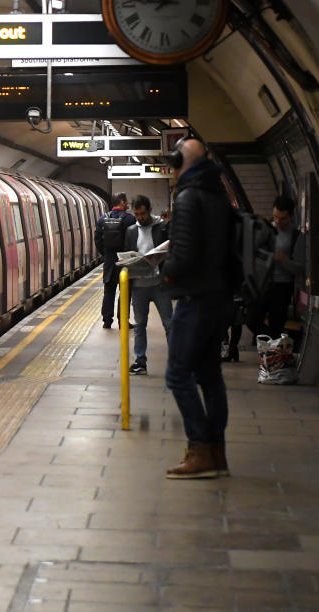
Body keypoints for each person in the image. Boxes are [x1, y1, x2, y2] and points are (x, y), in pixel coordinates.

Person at [156, 137, 234, 479]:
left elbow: (184, 256)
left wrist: (164, 268)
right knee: (210, 376)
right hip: (220, 297)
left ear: (180, 162)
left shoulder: (187, 197)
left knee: (177, 374)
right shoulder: (219, 195)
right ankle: (217, 453)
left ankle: (199, 448)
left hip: (195, 300)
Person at [246, 195, 307, 340]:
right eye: (275, 217)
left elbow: (299, 268)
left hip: (282, 286)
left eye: (283, 218)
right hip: (262, 282)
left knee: (277, 322)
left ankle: (273, 349)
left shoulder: (297, 237)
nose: (278, 221)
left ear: (291, 216)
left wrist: (283, 259)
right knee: (252, 320)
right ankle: (273, 339)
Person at [124, 194, 171, 375]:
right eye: (137, 215)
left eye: (143, 214)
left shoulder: (162, 227)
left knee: (170, 324)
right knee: (139, 325)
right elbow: (126, 255)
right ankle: (140, 361)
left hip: (160, 284)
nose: (140, 218)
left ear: (149, 210)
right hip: (139, 286)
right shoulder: (130, 231)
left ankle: (176, 361)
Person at [94, 192, 133, 329]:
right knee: (125, 291)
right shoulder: (129, 219)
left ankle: (107, 320)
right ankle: (123, 321)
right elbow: (134, 239)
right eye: (126, 201)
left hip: (109, 261)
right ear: (122, 202)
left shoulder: (102, 219)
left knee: (109, 291)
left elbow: (97, 240)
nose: (127, 203)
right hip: (125, 260)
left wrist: (106, 254)